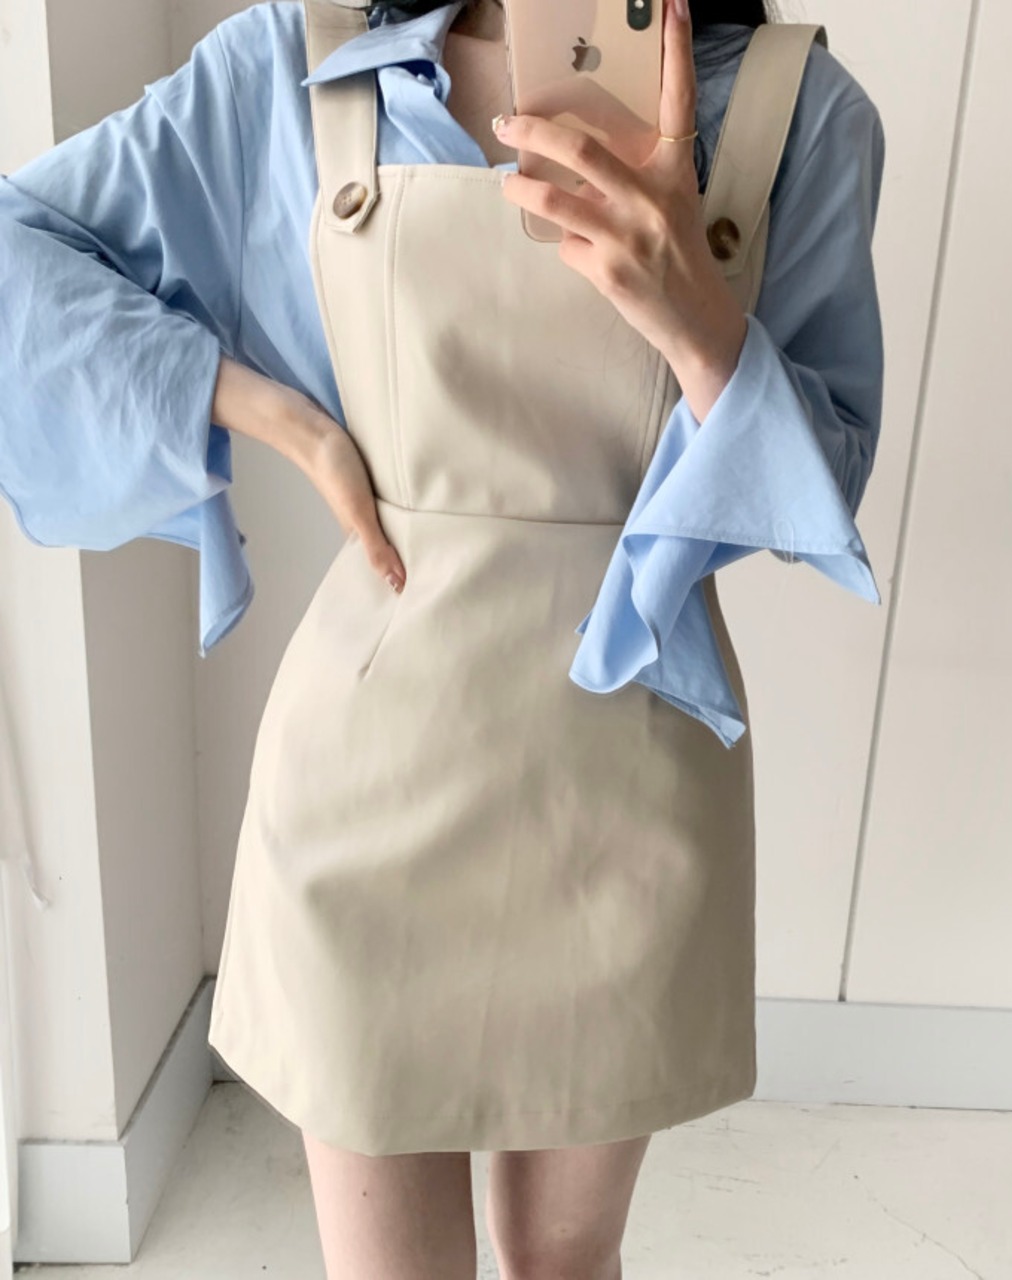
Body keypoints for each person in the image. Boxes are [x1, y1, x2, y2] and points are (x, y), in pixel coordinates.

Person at [0, 0, 885, 1274]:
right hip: (365, 778)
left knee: (561, 1262)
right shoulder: (299, 63)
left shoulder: (797, 110)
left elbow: (822, 491)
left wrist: (702, 328)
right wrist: (269, 413)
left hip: (627, 786)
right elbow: (21, 255)